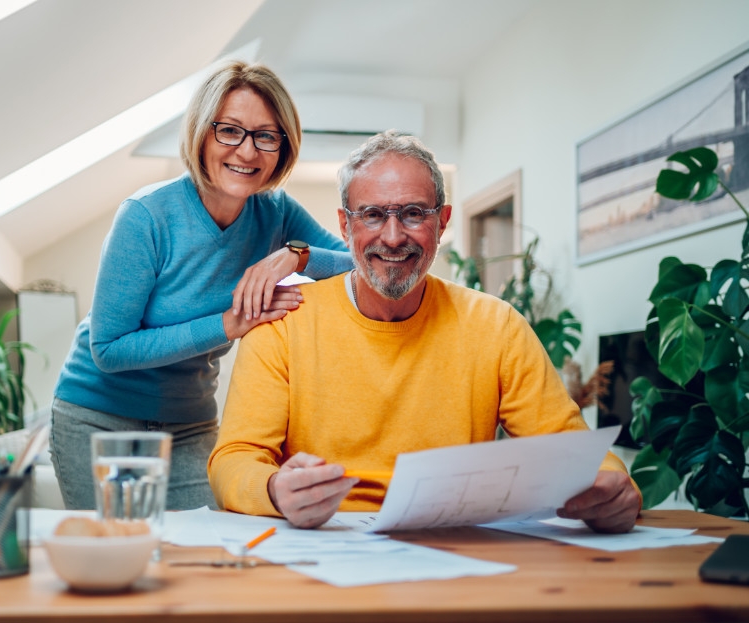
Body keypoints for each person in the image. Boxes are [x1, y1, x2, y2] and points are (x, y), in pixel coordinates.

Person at [207, 130, 642, 533]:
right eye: (373, 215)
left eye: (414, 213)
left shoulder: (496, 325)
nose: (393, 237)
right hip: (319, 544)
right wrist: (274, 490)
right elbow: (234, 460)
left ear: (443, 220)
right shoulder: (284, 323)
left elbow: (570, 448)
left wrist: (614, 486)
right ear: (345, 225)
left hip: (454, 547)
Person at [50, 61, 353, 511]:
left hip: (190, 426)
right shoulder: (146, 215)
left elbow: (362, 265)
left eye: (266, 136)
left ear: (282, 147)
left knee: (213, 548)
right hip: (97, 421)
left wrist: (299, 253)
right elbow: (109, 349)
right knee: (119, 561)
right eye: (229, 130)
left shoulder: (276, 212)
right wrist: (228, 325)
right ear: (201, 133)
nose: (247, 152)